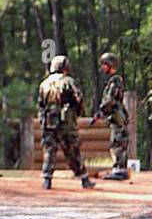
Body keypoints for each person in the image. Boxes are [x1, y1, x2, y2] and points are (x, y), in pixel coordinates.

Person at [36, 55, 94, 190]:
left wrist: (42, 121)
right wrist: (77, 113)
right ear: (65, 67)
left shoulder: (44, 83)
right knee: (73, 150)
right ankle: (84, 179)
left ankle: (47, 179)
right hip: (66, 122)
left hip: (49, 121)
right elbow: (78, 99)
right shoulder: (68, 81)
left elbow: (40, 105)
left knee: (50, 150)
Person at [94, 52, 130, 180]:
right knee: (117, 141)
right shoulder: (113, 80)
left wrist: (101, 111)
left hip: (117, 116)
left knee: (118, 142)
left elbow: (111, 100)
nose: (103, 68)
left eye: (104, 65)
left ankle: (119, 170)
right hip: (115, 116)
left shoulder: (115, 80)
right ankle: (119, 169)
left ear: (110, 65)